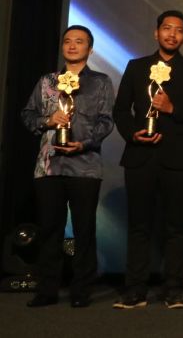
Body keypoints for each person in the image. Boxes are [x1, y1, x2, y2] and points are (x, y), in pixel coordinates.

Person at [113, 10, 183, 309]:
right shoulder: (136, 66)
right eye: (166, 28)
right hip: (140, 157)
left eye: (179, 30)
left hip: (177, 160)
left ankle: (173, 289)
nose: (172, 34)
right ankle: (135, 289)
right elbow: (120, 110)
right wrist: (133, 134)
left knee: (176, 227)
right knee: (138, 225)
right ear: (156, 32)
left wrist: (172, 107)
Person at [21, 25, 114, 308]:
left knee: (84, 229)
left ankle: (81, 290)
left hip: (85, 166)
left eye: (79, 41)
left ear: (90, 49)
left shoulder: (100, 82)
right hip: (48, 167)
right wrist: (47, 122)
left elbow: (106, 121)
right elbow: (27, 114)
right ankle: (47, 289)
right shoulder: (48, 81)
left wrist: (83, 143)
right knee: (50, 229)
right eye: (68, 41)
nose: (72, 46)